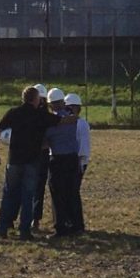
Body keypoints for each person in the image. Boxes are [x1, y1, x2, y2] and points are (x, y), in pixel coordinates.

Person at [0, 86, 75, 241]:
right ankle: (25, 231)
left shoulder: (13, 112)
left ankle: (2, 228)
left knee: (9, 194)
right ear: (36, 99)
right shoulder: (40, 115)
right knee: (28, 196)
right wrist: (74, 117)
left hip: (14, 160)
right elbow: (61, 121)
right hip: (32, 162)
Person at [44, 88, 81, 238]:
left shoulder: (51, 121)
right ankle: (76, 224)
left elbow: (46, 140)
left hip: (58, 159)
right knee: (72, 192)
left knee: (57, 194)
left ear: (50, 104)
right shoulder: (72, 118)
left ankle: (61, 227)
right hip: (72, 158)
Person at [65, 92, 90, 234]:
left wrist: (81, 162)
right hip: (71, 160)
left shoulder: (81, 124)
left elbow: (84, 147)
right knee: (69, 192)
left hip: (77, 161)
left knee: (73, 192)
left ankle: (77, 224)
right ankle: (70, 221)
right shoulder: (69, 123)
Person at [32, 83, 50, 230]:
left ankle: (35, 218)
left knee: (38, 187)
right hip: (31, 153)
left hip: (41, 154)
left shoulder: (46, 116)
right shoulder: (27, 114)